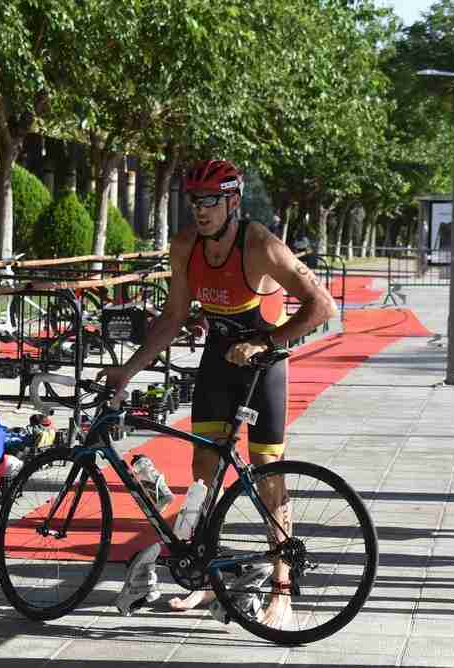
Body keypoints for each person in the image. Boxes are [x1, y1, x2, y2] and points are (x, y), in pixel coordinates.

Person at [97, 159, 337, 625]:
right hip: (216, 364)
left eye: (210, 201)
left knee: (268, 473)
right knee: (203, 474)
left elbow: (321, 305)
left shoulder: (260, 245)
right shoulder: (185, 246)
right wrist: (127, 371)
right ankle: (207, 580)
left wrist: (264, 342)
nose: (200, 210)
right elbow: (171, 318)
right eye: (194, 201)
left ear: (232, 201)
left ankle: (282, 590)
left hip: (261, 370)